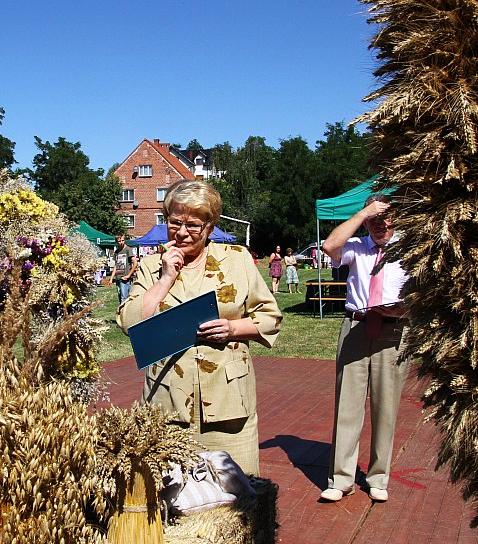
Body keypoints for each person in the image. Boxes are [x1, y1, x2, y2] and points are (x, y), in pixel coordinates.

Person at [117, 180, 281, 476]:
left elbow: (269, 317)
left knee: (236, 491)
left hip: (229, 401)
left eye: (192, 225)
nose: (181, 232)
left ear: (210, 226)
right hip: (166, 402)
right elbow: (129, 323)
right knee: (172, 494)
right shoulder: (151, 265)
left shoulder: (236, 259)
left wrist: (232, 328)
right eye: (174, 222)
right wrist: (166, 277)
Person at [319, 194, 408, 503]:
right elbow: (329, 246)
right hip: (356, 327)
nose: (380, 225)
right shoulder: (356, 246)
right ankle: (341, 478)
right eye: (374, 220)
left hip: (394, 330)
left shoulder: (410, 249)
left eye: (386, 218)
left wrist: (405, 309)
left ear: (397, 218)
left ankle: (378, 477)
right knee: (347, 404)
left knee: (386, 406)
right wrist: (363, 214)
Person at [113, 235, 138, 304]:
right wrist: (111, 278)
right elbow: (116, 265)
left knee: (124, 298)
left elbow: (135, 263)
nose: (121, 242)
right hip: (118, 277)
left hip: (125, 278)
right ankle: (122, 309)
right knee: (120, 296)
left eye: (122, 240)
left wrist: (129, 275)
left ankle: (124, 310)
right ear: (116, 242)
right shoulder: (117, 251)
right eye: (119, 241)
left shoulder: (127, 249)